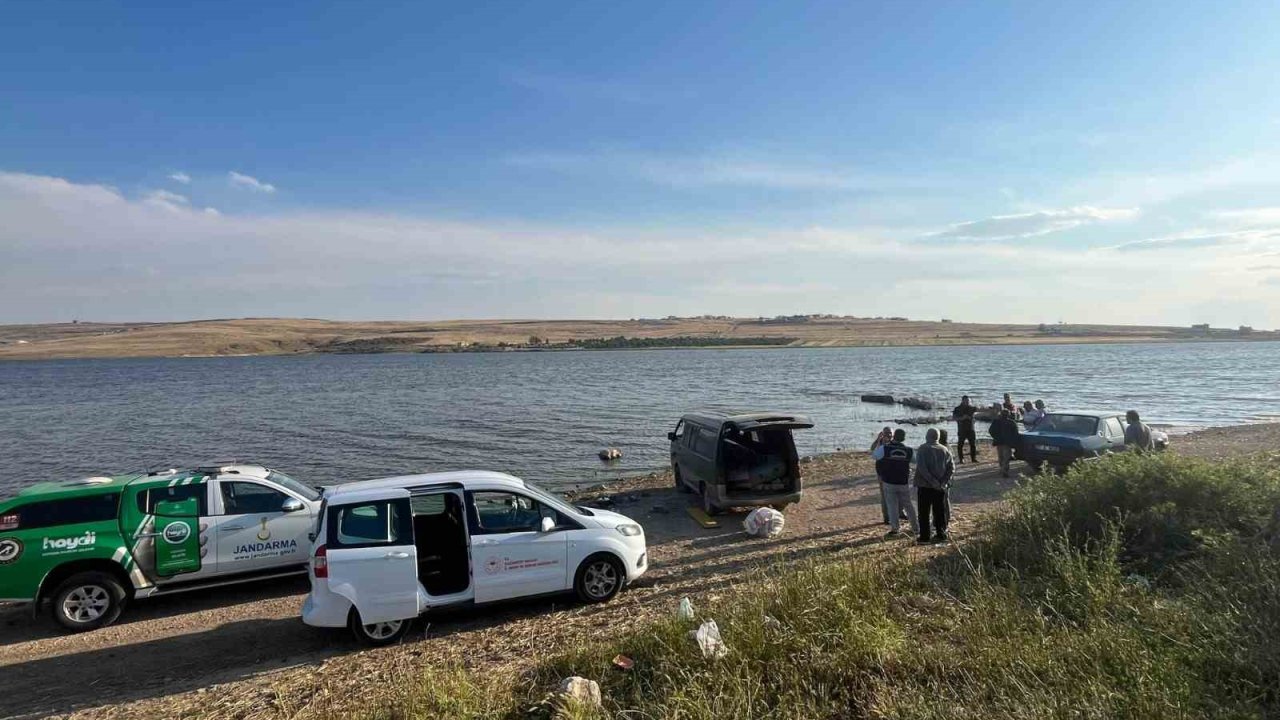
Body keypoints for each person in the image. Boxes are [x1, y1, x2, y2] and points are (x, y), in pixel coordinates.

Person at [872, 429, 918, 538]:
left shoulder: (885, 448)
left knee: (892, 505)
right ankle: (916, 527)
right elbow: (916, 461)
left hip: (888, 480)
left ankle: (895, 529)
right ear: (904, 438)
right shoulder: (908, 450)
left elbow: (874, 456)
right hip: (903, 481)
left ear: (894, 436)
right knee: (908, 505)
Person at [914, 428, 955, 543]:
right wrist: (943, 482)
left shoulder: (923, 449)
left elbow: (922, 468)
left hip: (925, 485)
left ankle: (925, 537)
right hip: (940, 487)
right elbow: (951, 468)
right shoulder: (945, 450)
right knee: (939, 511)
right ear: (937, 437)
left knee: (924, 512)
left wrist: (932, 481)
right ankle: (941, 534)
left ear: (927, 436)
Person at [869, 427, 898, 524]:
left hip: (893, 472)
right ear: (882, 433)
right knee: (884, 495)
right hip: (881, 473)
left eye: (890, 433)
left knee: (896, 494)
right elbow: (872, 450)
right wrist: (878, 439)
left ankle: (898, 514)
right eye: (886, 433)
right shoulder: (879, 442)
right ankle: (887, 518)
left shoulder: (895, 443)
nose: (888, 435)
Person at [989, 409, 1020, 478]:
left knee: (1001, 457)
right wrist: (1014, 442)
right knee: (1006, 458)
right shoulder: (1012, 422)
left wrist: (995, 437)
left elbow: (991, 431)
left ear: (1001, 414)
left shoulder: (996, 421)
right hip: (1007, 442)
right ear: (1008, 415)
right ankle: (1004, 470)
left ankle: (1002, 469)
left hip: (999, 441)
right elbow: (1016, 433)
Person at [952, 395, 978, 464]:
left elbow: (980, 409)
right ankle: (961, 459)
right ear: (962, 401)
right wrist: (962, 418)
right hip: (962, 429)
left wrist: (991, 408)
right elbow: (954, 418)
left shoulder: (971, 408)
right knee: (960, 444)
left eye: (968, 401)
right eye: (966, 401)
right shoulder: (957, 409)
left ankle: (973, 458)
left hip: (971, 429)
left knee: (973, 444)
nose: (968, 402)